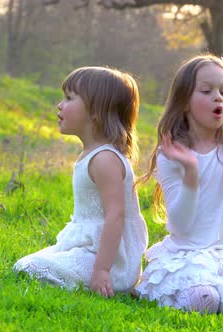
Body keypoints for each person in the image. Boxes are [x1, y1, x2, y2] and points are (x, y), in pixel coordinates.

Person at [134, 54, 223, 316]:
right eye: (207, 91)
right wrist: (191, 172)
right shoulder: (172, 155)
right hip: (187, 254)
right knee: (202, 300)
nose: (218, 97)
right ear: (185, 101)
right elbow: (180, 224)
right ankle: (201, 289)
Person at [13, 66, 148, 297]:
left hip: (110, 262)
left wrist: (102, 270)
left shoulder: (105, 159)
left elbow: (116, 216)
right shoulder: (93, 154)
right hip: (91, 250)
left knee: (30, 268)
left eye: (69, 98)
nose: (60, 105)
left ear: (96, 111)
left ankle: (115, 284)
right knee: (27, 264)